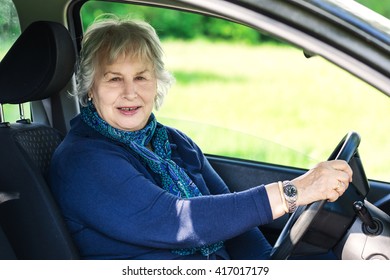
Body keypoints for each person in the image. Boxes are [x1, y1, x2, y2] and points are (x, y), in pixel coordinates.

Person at [49, 16, 353, 260]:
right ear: (91, 88)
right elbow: (179, 222)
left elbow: (232, 225)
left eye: (141, 76)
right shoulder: (83, 161)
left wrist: (267, 263)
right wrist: (294, 191)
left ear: (157, 82)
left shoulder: (171, 141)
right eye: (114, 79)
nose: (131, 92)